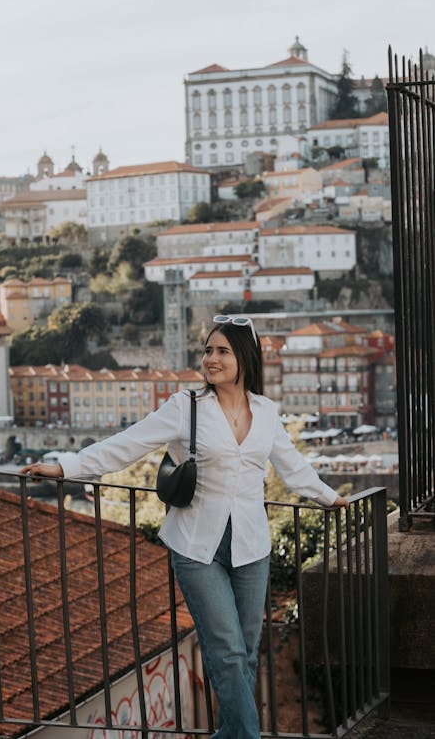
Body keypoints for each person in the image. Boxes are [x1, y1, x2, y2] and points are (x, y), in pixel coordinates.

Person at [21, 315, 349, 738]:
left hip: (251, 546)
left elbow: (294, 469)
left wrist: (330, 497)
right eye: (208, 350)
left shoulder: (266, 412)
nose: (211, 359)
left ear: (245, 358)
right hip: (196, 547)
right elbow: (127, 444)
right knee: (228, 652)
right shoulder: (186, 407)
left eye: (222, 351)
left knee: (246, 653)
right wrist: (66, 466)